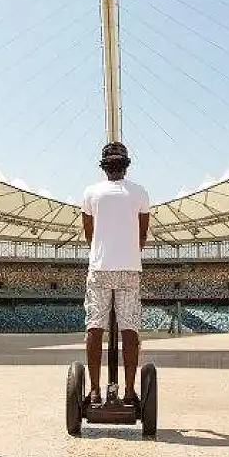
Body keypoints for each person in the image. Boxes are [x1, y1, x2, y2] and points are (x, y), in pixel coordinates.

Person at [80, 141, 150, 406]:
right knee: (129, 329)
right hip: (130, 269)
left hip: (99, 269)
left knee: (94, 328)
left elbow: (90, 233)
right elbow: (142, 234)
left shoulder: (91, 193)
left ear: (103, 166)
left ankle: (96, 391)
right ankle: (130, 392)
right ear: (126, 165)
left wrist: (102, 251)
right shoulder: (140, 193)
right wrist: (128, 252)